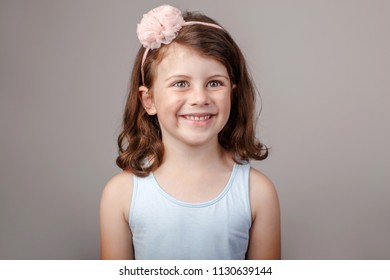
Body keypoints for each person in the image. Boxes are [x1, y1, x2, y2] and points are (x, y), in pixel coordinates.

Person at [100, 5, 280, 260]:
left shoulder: (258, 192)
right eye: (181, 84)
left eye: (214, 83)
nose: (199, 98)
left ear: (233, 93)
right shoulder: (120, 194)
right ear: (148, 100)